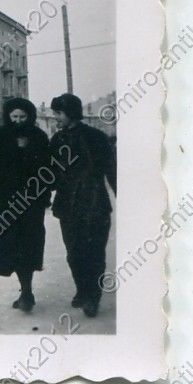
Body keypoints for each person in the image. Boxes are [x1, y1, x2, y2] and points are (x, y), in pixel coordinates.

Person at [0, 97, 52, 313]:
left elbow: (48, 169)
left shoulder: (39, 137)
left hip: (31, 201)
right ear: (7, 116)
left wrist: (26, 151)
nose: (18, 121)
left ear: (30, 117)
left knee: (28, 245)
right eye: (14, 117)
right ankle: (25, 289)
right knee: (9, 246)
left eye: (23, 117)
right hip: (4, 201)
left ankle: (26, 291)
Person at [49, 93, 117, 318]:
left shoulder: (97, 137)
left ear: (70, 113)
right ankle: (82, 289)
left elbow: (112, 170)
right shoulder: (57, 140)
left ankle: (92, 298)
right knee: (74, 253)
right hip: (68, 205)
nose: (55, 118)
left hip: (95, 202)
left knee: (95, 253)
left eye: (58, 113)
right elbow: (49, 174)